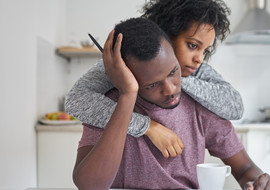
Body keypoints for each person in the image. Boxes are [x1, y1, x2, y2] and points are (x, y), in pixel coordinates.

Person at [73, 18, 270, 190]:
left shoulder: (201, 105)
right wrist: (127, 95)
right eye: (152, 85)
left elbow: (245, 169)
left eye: (173, 71)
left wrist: (261, 184)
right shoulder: (106, 105)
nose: (170, 90)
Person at [65, 0, 243, 159]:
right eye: (193, 46)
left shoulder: (195, 70)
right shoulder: (124, 65)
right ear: (165, 35)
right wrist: (147, 126)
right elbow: (76, 101)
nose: (199, 58)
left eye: (205, 50)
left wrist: (175, 77)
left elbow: (235, 107)